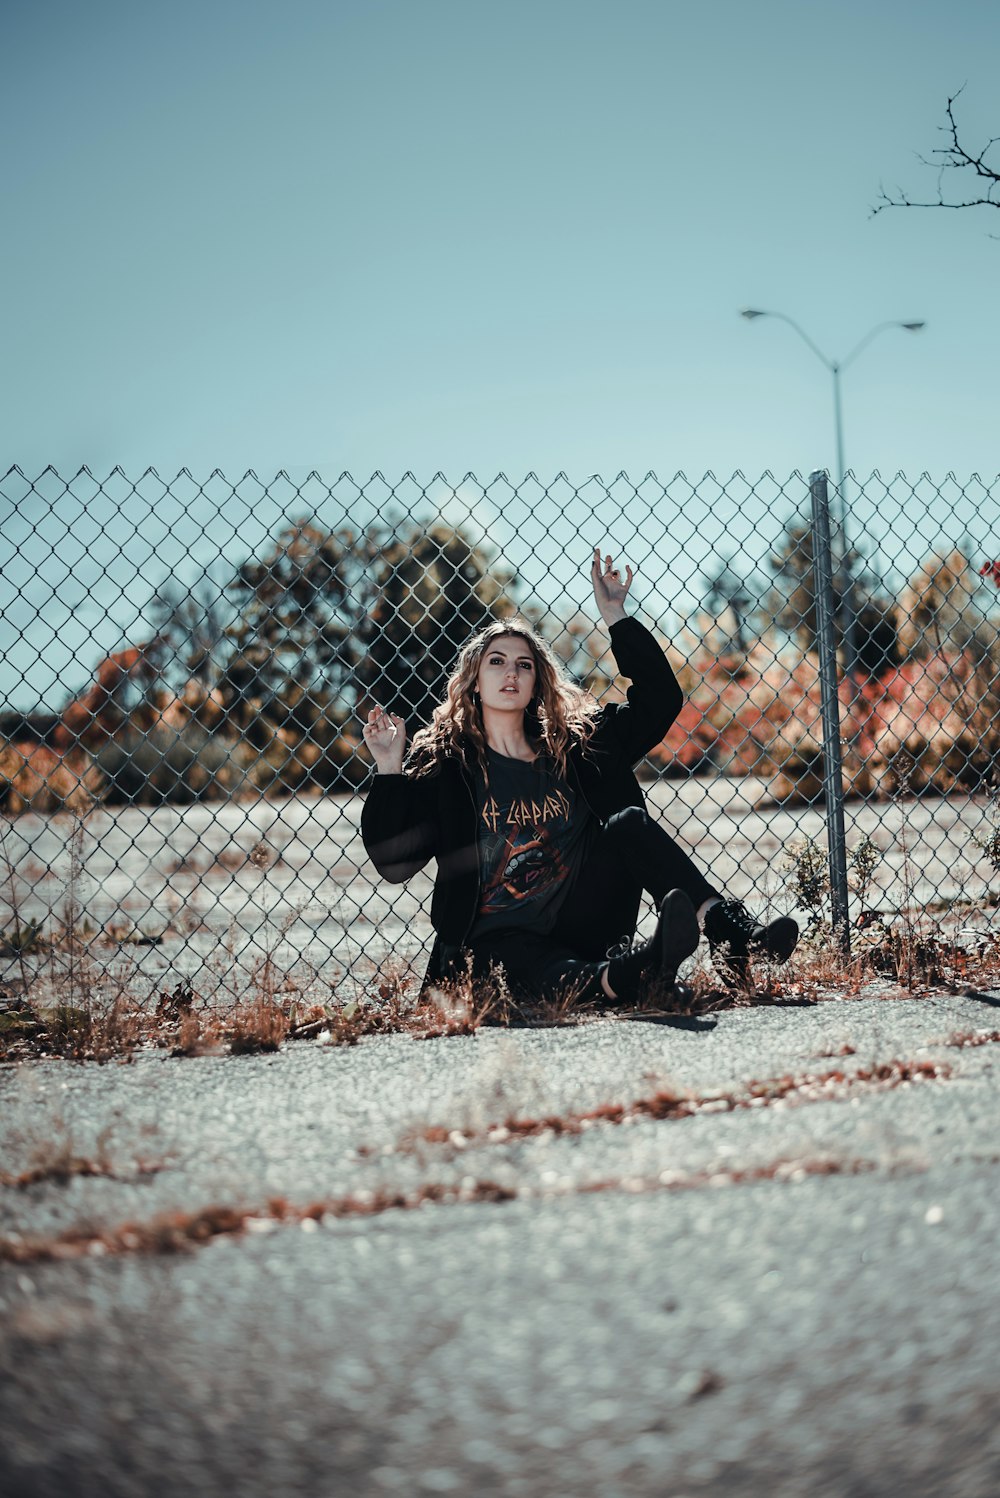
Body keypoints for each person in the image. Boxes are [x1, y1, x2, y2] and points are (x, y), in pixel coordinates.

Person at [361, 547, 798, 1010]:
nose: (511, 671)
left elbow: (659, 702)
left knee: (628, 821)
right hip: (494, 942)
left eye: (523, 664)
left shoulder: (579, 746)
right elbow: (395, 866)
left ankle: (728, 932)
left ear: (537, 682)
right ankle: (634, 974)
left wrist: (615, 615)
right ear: (473, 681)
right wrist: (390, 769)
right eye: (497, 662)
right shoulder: (449, 764)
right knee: (532, 965)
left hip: (583, 922)